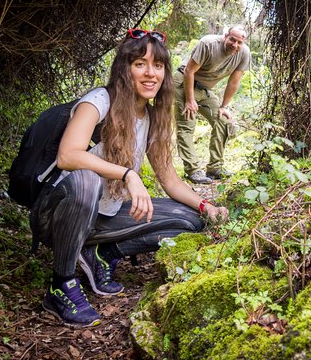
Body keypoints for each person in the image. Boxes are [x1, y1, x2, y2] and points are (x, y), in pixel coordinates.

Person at [30, 28, 229, 328]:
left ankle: (101, 254)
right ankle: (61, 283)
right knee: (87, 180)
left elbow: (170, 179)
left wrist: (206, 207)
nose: (151, 73)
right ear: (125, 69)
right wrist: (128, 175)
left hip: (102, 217)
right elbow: (67, 156)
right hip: (57, 214)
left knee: (190, 221)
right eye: (140, 64)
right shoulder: (99, 101)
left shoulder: (150, 117)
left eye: (158, 65)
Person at [174, 25, 251, 184]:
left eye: (239, 42)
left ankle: (215, 168)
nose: (235, 45)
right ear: (225, 36)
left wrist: (224, 106)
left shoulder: (244, 53)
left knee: (222, 120)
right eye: (232, 39)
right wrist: (190, 100)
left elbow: (234, 82)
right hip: (184, 82)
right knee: (187, 124)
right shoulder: (208, 44)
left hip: (205, 89)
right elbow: (189, 71)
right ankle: (193, 170)